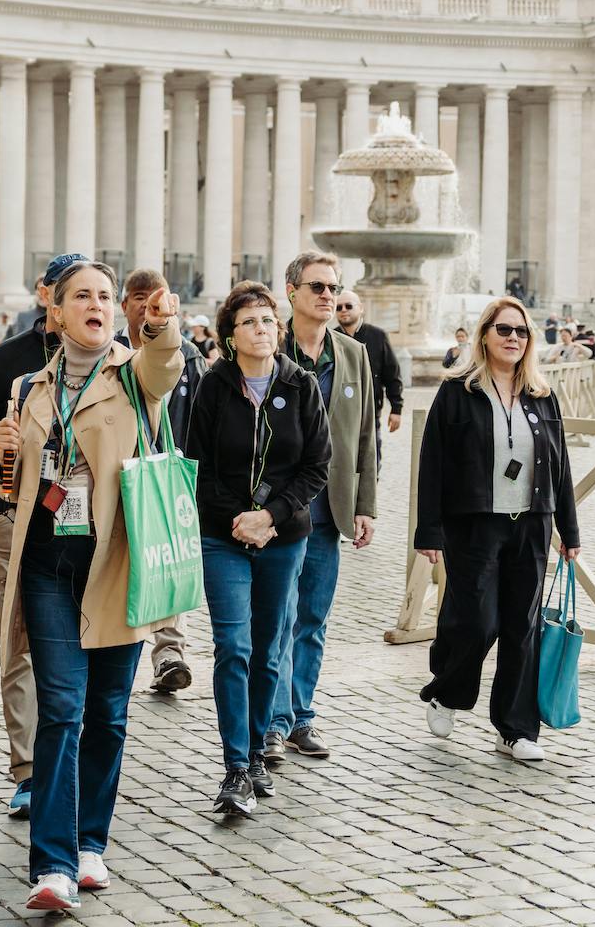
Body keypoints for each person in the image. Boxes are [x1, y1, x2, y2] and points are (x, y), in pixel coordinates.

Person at [0, 261, 182, 912]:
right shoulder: (29, 387)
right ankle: (52, 864)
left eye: (105, 295)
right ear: (58, 311)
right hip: (45, 567)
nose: (97, 303)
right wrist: (4, 455)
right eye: (84, 296)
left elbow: (166, 365)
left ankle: (90, 842)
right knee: (62, 710)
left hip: (116, 568)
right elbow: (13, 486)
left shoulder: (135, 376)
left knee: (108, 713)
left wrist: (161, 329)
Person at [414, 295, 582, 763]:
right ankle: (447, 692)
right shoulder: (457, 391)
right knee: (476, 621)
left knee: (521, 629)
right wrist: (429, 531)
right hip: (475, 524)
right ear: (485, 334)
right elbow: (433, 464)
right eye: (504, 330)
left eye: (521, 332)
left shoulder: (542, 395)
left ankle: (515, 729)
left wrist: (569, 530)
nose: (513, 338)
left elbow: (561, 466)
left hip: (532, 523)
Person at [0, 249, 85, 820]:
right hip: (22, 519)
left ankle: (75, 761)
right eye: (72, 293)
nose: (84, 305)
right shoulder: (9, 359)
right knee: (19, 640)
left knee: (91, 638)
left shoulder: (114, 362)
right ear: (46, 296)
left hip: (93, 524)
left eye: (95, 294)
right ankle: (28, 768)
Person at [187, 281, 331, 816]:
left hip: (283, 536)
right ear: (230, 334)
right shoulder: (212, 387)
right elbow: (195, 464)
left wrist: (270, 516)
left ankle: (255, 751)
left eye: (268, 320)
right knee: (234, 647)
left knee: (270, 650)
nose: (262, 329)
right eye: (249, 321)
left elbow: (316, 466)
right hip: (222, 537)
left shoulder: (301, 386)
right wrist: (237, 520)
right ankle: (236, 766)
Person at [266, 252, 377, 765]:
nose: (328, 295)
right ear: (291, 291)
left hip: (329, 511)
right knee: (275, 616)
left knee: (312, 615)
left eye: (333, 287)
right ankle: (271, 720)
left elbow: (366, 435)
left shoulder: (352, 354)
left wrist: (366, 504)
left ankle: (301, 716)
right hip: (276, 509)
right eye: (316, 286)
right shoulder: (266, 344)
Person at [117, 268, 206, 694]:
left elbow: (204, 417)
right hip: (119, 476)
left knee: (169, 559)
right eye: (137, 297)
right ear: (125, 306)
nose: (145, 304)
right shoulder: (108, 352)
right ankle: (121, 646)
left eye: (154, 297)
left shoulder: (188, 355)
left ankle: (169, 651)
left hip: (168, 474)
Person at [334, 290, 405, 465]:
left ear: (361, 309)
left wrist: (396, 408)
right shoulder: (330, 337)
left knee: (371, 462)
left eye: (349, 306)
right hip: (338, 414)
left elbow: (392, 373)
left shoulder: (377, 335)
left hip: (370, 412)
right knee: (340, 463)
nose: (343, 310)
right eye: (339, 307)